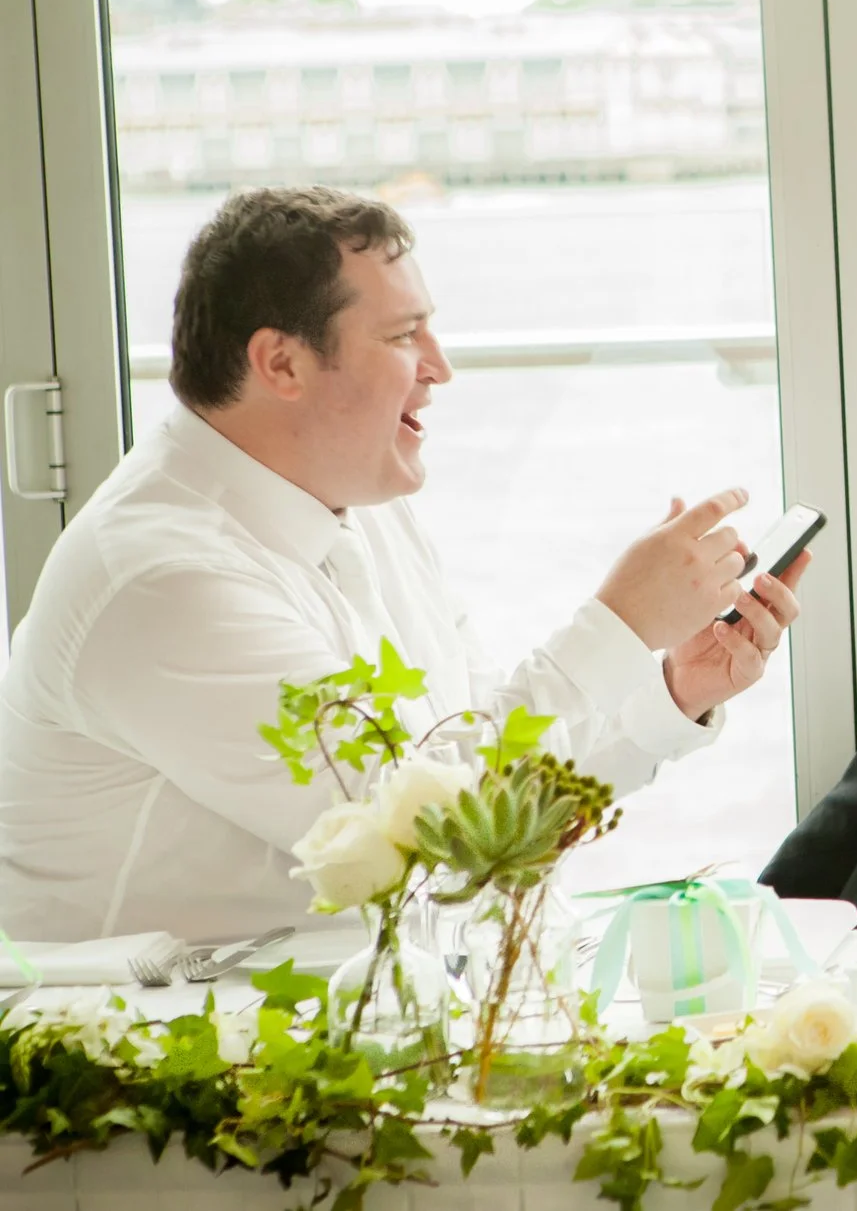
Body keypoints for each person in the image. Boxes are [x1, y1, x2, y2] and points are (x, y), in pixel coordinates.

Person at [0, 186, 808, 941]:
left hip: (357, 1016)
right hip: (161, 1059)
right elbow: (432, 839)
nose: (440, 365)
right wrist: (619, 625)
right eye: (401, 336)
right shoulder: (161, 581)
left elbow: (487, 793)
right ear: (281, 363)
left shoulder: (362, 502)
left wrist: (668, 693)